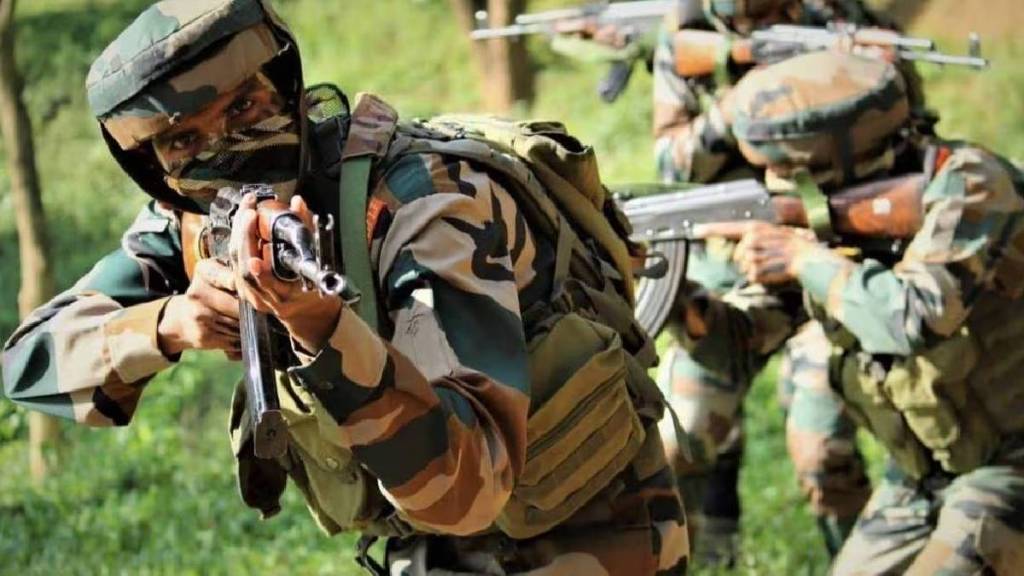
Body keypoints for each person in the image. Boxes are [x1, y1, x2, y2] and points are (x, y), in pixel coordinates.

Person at [0, 1, 689, 574]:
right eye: (185, 142)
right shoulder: (192, 217)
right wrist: (170, 325)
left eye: (246, 107)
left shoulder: (425, 207)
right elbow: (27, 361)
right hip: (432, 546)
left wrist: (322, 329)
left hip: (594, 539)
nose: (226, 150)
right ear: (155, 166)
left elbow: (468, 487)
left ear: (288, 92)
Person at [679, 48, 1024, 575]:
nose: (771, 185)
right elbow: (739, 345)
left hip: (1010, 465)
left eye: (783, 172)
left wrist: (803, 259)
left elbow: (915, 316)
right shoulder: (825, 226)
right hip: (922, 475)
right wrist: (673, 294)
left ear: (836, 163)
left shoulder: (972, 185)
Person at [650, 0, 901, 562]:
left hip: (838, 259)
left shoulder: (837, 18)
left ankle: (860, 559)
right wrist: (740, 99)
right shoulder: (693, 35)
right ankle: (694, 550)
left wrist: (868, 67)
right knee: (680, 433)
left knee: (821, 448)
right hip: (731, 263)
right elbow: (673, 165)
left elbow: (902, 141)